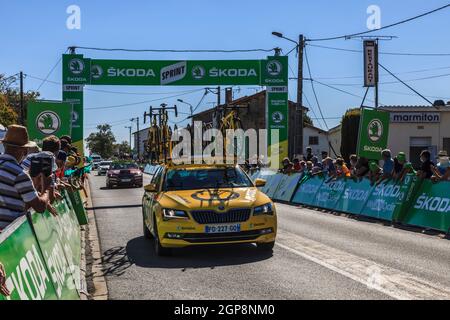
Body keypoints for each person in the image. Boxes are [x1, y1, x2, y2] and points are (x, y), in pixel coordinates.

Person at [0, 125, 53, 231]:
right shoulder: (19, 174)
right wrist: (46, 187)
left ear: (5, 146)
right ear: (24, 151)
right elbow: (40, 207)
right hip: (9, 236)